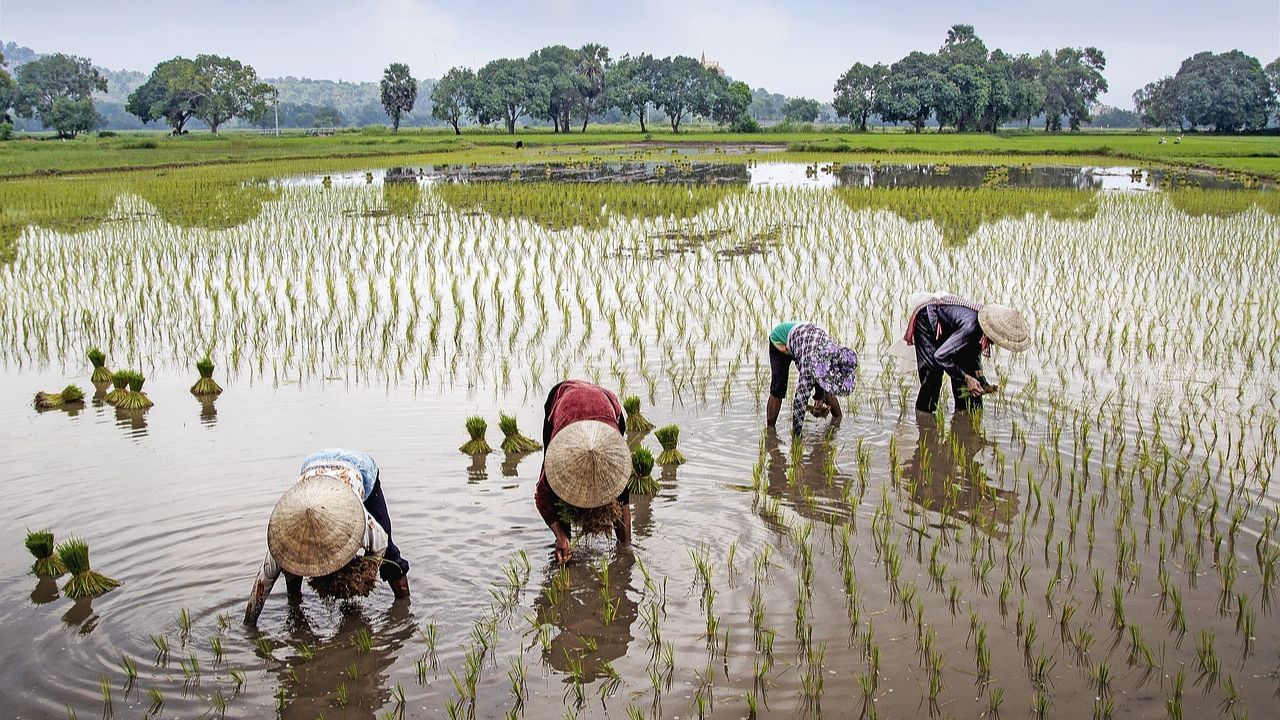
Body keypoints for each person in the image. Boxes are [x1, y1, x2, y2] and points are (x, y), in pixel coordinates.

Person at [244, 449, 410, 626]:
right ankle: (295, 606)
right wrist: (249, 624)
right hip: (313, 466)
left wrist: (362, 576)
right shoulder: (282, 541)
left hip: (360, 468)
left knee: (391, 558)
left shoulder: (359, 521)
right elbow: (261, 588)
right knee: (291, 566)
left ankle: (405, 611)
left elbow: (381, 546)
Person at [534, 380, 632, 564]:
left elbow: (623, 495)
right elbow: (542, 497)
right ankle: (565, 545)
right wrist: (561, 536)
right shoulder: (559, 456)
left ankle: (623, 544)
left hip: (606, 403)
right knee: (556, 491)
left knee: (617, 487)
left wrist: (626, 552)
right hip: (564, 399)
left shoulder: (615, 458)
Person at [904, 293, 1030, 414]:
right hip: (928, 319)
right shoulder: (971, 327)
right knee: (932, 377)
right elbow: (940, 356)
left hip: (953, 327)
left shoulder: (980, 331)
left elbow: (973, 356)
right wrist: (966, 377)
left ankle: (963, 414)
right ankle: (923, 419)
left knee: (967, 378)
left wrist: (980, 380)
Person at [765, 321, 859, 436]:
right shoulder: (809, 365)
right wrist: (797, 440)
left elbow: (825, 380)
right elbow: (800, 401)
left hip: (805, 341)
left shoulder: (833, 353)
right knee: (778, 388)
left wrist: (819, 398)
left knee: (829, 387)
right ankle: (770, 433)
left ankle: (837, 422)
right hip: (780, 341)